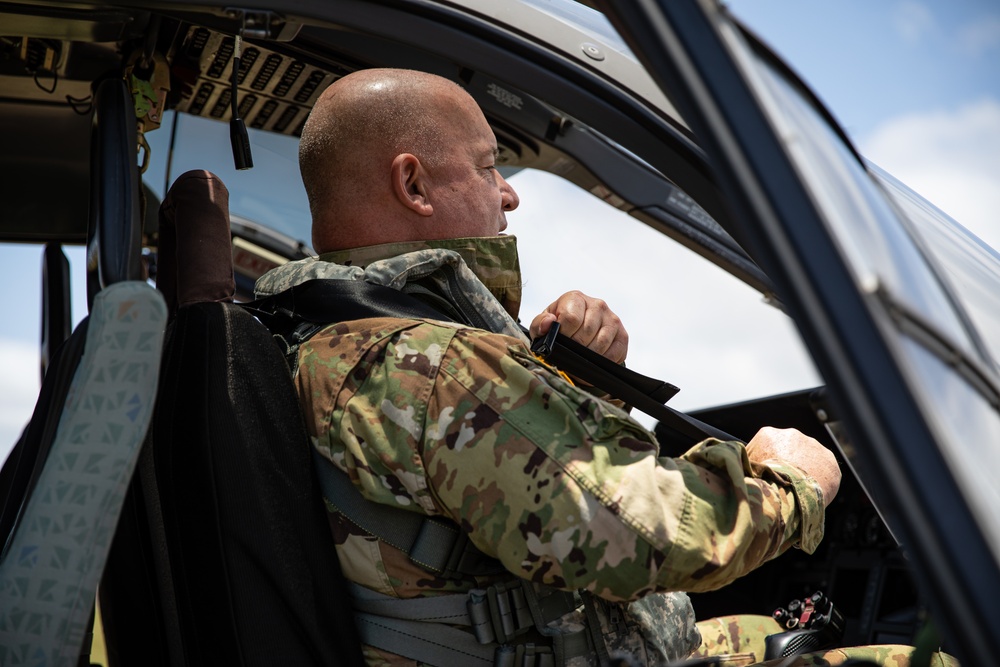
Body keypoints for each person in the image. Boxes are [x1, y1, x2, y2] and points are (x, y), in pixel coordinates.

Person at [255, 68, 953, 667]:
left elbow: (481, 500)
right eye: (489, 163)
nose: (509, 193)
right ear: (414, 183)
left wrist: (577, 385)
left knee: (772, 631)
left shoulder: (324, 338)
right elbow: (640, 535)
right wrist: (791, 483)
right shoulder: (435, 365)